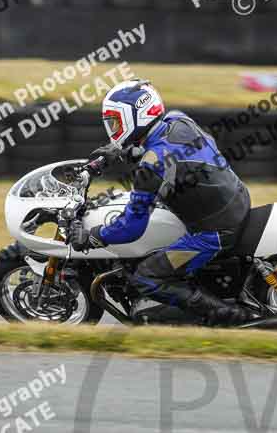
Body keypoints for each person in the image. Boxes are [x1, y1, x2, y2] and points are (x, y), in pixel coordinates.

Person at [69, 80, 254, 326]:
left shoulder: (151, 167)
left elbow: (131, 228)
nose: (113, 130)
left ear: (135, 117)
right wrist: (120, 153)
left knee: (147, 277)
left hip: (215, 232)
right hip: (235, 200)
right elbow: (166, 153)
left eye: (115, 122)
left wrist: (93, 236)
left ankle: (226, 316)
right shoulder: (178, 121)